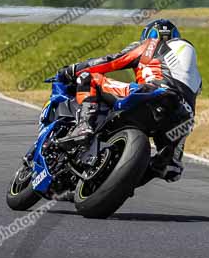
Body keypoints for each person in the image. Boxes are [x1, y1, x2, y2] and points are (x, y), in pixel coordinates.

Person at [56, 19, 201, 182]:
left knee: (89, 78)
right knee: (168, 168)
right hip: (183, 117)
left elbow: (112, 61)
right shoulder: (194, 73)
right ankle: (166, 163)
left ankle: (84, 127)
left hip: (152, 93)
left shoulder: (150, 45)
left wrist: (71, 70)